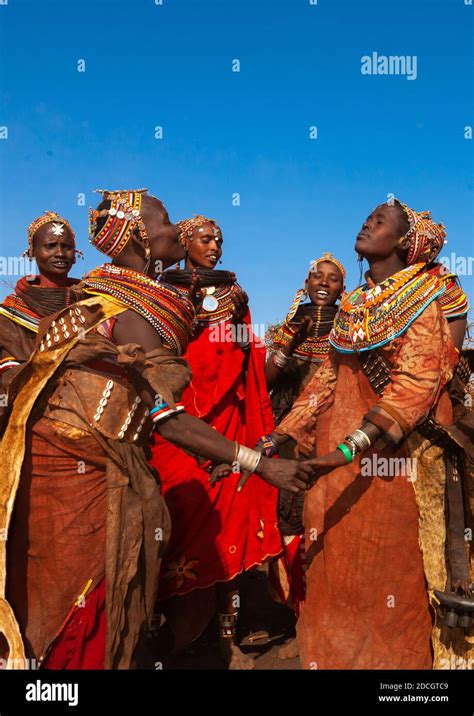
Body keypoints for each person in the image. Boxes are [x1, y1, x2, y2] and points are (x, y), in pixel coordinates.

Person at [0, 191, 310, 670]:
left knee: (105, 605)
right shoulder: (120, 308)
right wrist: (260, 463)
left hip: (102, 462)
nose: (173, 228)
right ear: (140, 234)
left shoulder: (124, 298)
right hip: (75, 473)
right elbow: (170, 418)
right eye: (165, 220)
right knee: (81, 608)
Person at [263, 199, 473, 669]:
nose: (367, 223)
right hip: (338, 464)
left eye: (379, 221)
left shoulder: (425, 293)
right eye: (367, 217)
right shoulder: (355, 303)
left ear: (402, 241)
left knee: (392, 570)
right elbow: (327, 379)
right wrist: (279, 436)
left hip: (398, 459)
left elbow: (417, 385)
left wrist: (345, 451)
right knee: (339, 564)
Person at [149, 215, 282, 669]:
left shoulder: (234, 296)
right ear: (185, 242)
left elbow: (247, 362)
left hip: (225, 430)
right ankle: (163, 633)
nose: (215, 247)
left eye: (219, 240)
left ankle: (228, 641)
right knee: (176, 528)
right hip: (175, 428)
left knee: (226, 535)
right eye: (206, 239)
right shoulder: (161, 292)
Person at [264, 253, 345, 656]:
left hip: (337, 439)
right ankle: (297, 619)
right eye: (318, 276)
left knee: (330, 522)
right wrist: (291, 335)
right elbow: (267, 380)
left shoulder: (352, 329)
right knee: (291, 522)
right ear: (306, 283)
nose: (324, 283)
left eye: (333, 279)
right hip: (291, 438)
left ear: (341, 289)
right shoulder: (290, 328)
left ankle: (324, 619)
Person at [0, 212, 80, 404]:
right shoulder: (11, 315)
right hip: (31, 409)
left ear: (76, 255)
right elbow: (9, 378)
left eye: (67, 247)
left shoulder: (92, 303)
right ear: (32, 252)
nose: (60, 253)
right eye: (50, 246)